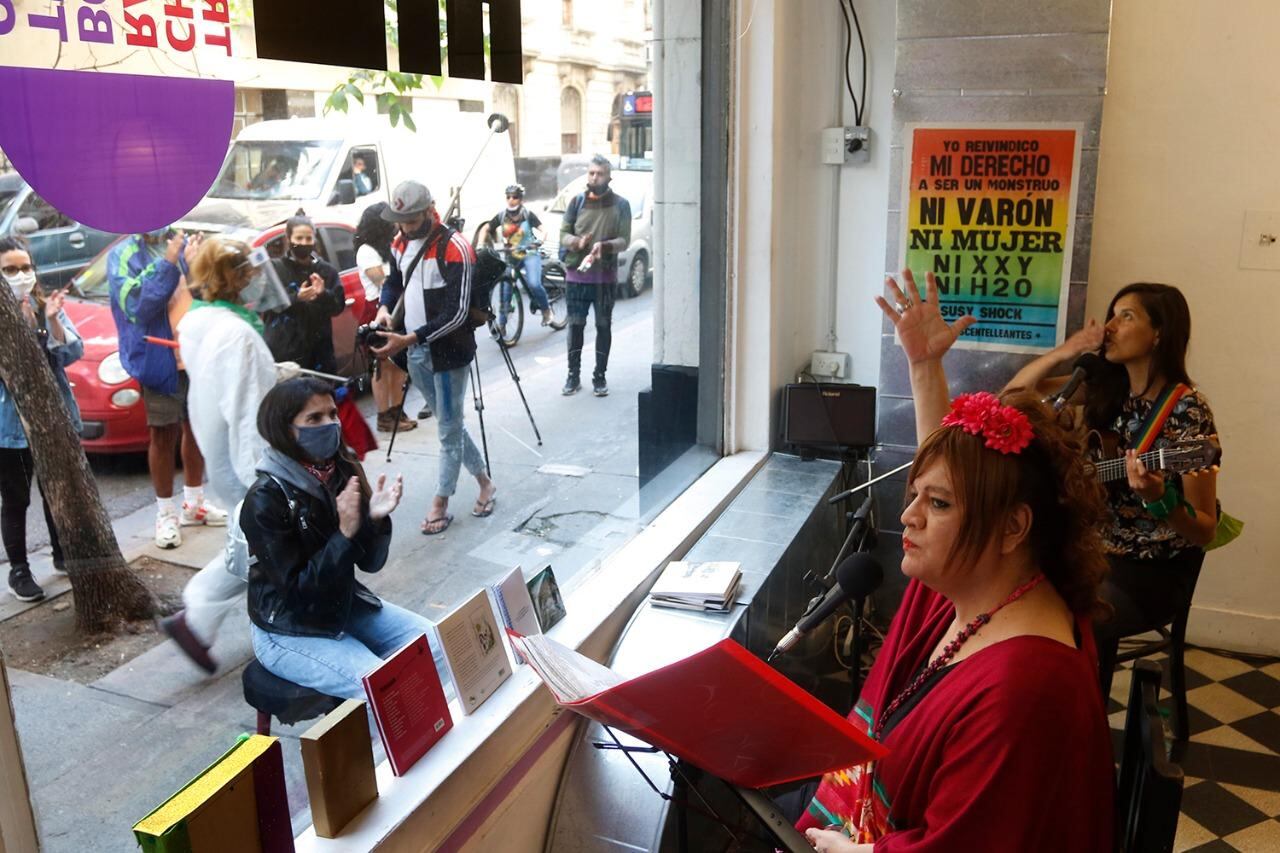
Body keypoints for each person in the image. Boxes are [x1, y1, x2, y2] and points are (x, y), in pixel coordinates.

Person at [796, 270, 1114, 851]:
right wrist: (922, 368)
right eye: (914, 495)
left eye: (934, 505)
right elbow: (951, 478)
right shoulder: (978, 587)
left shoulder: (1027, 689)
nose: (909, 516)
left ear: (1014, 526)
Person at [1004, 282, 1219, 698]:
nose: (1110, 327)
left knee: (1078, 615)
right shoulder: (1109, 388)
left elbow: (1205, 529)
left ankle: (1083, 731)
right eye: (1112, 314)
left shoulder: (1187, 411)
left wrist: (1161, 500)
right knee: (1018, 593)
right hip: (1096, 553)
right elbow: (1014, 399)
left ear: (1159, 334)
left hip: (1151, 571)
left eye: (1127, 316)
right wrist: (1067, 352)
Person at [240, 377, 449, 700]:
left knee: (442, 648)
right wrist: (345, 533)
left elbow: (370, 562)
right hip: (288, 628)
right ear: (284, 429)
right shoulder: (265, 498)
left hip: (343, 604)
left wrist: (375, 521)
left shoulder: (340, 467)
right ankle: (395, 750)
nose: (330, 425)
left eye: (332, 414)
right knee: (384, 692)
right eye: (314, 419)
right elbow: (298, 595)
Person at [161, 237, 285, 672]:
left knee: (254, 542)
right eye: (250, 274)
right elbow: (248, 409)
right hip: (245, 459)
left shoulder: (208, 322)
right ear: (235, 279)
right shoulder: (237, 335)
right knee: (257, 543)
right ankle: (197, 619)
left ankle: (197, 620)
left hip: (223, 455)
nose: (257, 281)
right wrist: (266, 478)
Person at [370, 181, 498, 535]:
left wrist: (409, 338)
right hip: (413, 349)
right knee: (449, 424)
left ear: (430, 210)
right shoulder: (399, 242)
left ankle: (440, 502)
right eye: (401, 220)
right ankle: (486, 482)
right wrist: (384, 311)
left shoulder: (455, 247)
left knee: (446, 430)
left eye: (411, 220)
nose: (406, 227)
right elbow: (394, 282)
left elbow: (456, 313)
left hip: (447, 353)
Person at [108, 229, 225, 550]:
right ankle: (165, 512)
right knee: (163, 433)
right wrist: (171, 262)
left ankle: (194, 502)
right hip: (158, 358)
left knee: (197, 428)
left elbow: (211, 296)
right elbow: (140, 307)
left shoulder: (187, 243)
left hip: (195, 355)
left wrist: (198, 266)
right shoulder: (123, 255)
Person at [0, 237, 83, 602]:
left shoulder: (44, 303)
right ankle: (19, 570)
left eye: (25, 267)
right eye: (10, 269)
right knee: (16, 499)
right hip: (10, 427)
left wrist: (50, 321)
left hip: (53, 421)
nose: (21, 275)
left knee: (57, 492)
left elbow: (73, 351)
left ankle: (62, 553)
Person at [559, 155, 631, 397]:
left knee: (603, 327)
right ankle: (572, 376)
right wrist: (577, 242)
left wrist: (605, 246)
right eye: (591, 173)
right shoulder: (576, 202)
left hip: (605, 279)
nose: (594, 177)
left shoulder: (621, 205)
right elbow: (563, 234)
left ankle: (599, 377)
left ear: (609, 177)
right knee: (575, 328)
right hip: (576, 278)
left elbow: (624, 240)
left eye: (599, 173)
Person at [354, 203, 419, 433]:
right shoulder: (366, 250)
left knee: (399, 364)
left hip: (399, 309)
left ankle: (397, 411)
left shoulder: (392, 246)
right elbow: (383, 281)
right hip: (379, 310)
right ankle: (384, 415)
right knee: (382, 366)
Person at [262, 211, 345, 375]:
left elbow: (338, 307)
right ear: (288, 239)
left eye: (308, 238)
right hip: (286, 356)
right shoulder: (275, 269)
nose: (304, 243)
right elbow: (266, 304)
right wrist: (296, 297)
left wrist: (323, 294)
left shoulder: (326, 271)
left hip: (320, 355)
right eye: (299, 239)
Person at [479, 184, 553, 330]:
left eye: (515, 197)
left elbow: (543, 230)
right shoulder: (501, 216)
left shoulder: (527, 214)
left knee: (534, 284)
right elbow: (485, 228)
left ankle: (546, 310)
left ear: (521, 199)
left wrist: (539, 241)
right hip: (511, 256)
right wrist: (481, 244)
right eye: (508, 197)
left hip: (529, 253)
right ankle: (502, 325)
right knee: (506, 288)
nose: (511, 200)